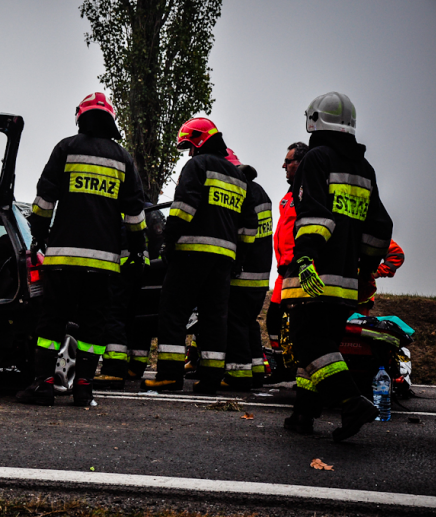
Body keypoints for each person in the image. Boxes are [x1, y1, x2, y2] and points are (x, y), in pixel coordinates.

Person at [17, 92, 147, 406]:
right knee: (94, 326)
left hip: (63, 259)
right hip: (103, 264)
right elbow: (135, 213)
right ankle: (84, 389)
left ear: (81, 117)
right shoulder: (123, 158)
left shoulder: (66, 148)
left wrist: (38, 235)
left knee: (51, 323)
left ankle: (44, 385)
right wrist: (138, 252)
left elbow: (45, 199)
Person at [281, 92, 393, 441]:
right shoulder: (364, 168)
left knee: (308, 343)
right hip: (346, 279)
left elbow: (314, 216)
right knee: (322, 344)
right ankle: (304, 413)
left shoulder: (316, 159)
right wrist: (366, 268)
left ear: (314, 120)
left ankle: (350, 402)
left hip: (313, 274)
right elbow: (379, 228)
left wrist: (304, 258)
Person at [143, 118, 257, 395]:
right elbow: (249, 227)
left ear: (197, 141)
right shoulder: (238, 176)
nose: (189, 152)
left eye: (189, 146)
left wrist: (168, 244)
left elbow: (183, 210)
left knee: (173, 313)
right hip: (223, 261)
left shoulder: (196, 166)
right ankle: (210, 381)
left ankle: (169, 376)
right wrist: (238, 258)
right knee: (214, 319)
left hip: (190, 255)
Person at [221, 150, 273, 390]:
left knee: (235, 322)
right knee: (249, 322)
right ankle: (256, 370)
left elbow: (242, 232)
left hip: (242, 272)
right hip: (261, 274)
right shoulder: (260, 191)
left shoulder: (241, 191)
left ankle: (238, 375)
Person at [94, 201, 154, 390]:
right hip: (139, 266)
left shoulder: (112, 204)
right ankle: (133, 366)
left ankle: (113, 369)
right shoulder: (144, 207)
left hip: (120, 264)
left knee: (114, 313)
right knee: (132, 316)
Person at [264, 142, 307, 380]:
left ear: (299, 163)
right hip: (284, 271)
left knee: (294, 322)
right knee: (273, 320)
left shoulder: (307, 191)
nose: (284, 165)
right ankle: (282, 365)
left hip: (297, 269)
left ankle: (295, 366)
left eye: (288, 161)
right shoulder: (288, 196)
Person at [357, 239, 405, 315]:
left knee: (356, 324)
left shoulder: (364, 230)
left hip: (360, 296)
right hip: (354, 294)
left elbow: (396, 253)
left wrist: (378, 271)